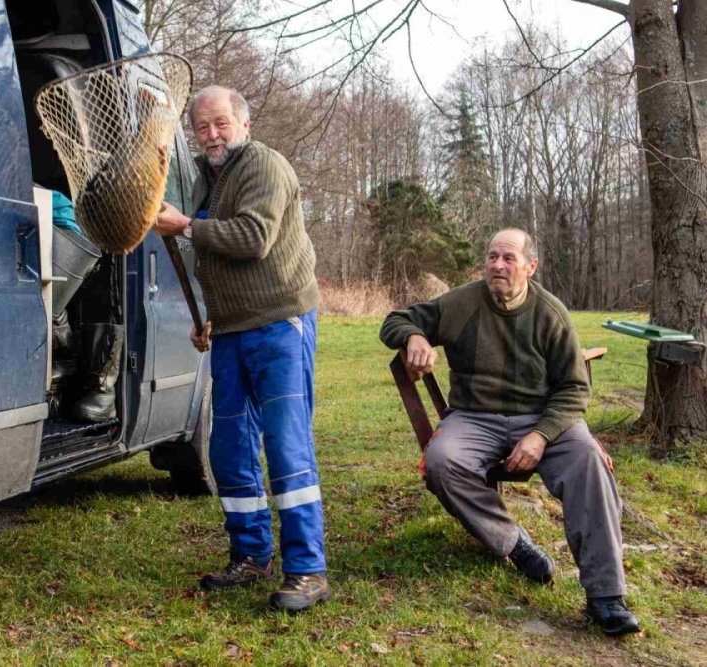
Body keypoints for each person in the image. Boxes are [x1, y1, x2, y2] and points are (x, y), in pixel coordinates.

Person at [379, 228, 640, 636]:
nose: (498, 266)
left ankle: (606, 596)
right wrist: (414, 335)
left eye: (509, 258)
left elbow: (575, 388)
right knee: (441, 462)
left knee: (589, 460)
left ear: (531, 267)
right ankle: (513, 542)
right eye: (492, 257)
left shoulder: (551, 314)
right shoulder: (460, 303)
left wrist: (541, 435)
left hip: (542, 419)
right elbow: (395, 320)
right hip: (474, 417)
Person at [155, 85, 327, 611]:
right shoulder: (208, 178)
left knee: (285, 444)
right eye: (202, 127)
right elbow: (214, 260)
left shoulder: (263, 166)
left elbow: (253, 238)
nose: (211, 134)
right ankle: (252, 555)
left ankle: (307, 570)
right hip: (230, 330)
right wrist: (212, 317)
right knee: (228, 447)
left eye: (221, 123)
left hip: (279, 323)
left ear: (244, 124)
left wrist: (186, 225)